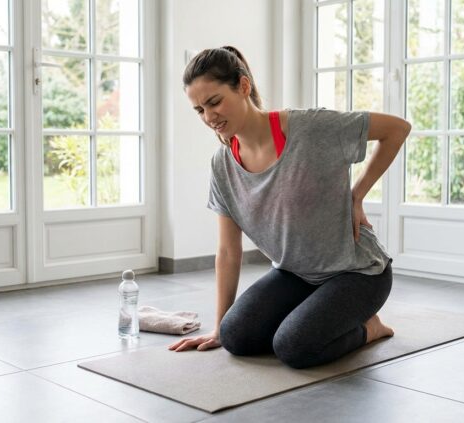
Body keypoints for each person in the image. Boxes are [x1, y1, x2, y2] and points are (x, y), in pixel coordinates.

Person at [168, 46, 411, 369]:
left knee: (294, 347)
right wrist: (219, 328)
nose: (209, 117)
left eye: (214, 102)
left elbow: (397, 129)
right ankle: (313, 312)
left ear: (243, 86)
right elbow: (228, 251)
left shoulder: (311, 128)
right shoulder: (222, 165)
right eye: (199, 110)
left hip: (357, 272)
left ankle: (370, 328)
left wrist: (357, 195)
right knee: (235, 337)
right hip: (295, 273)